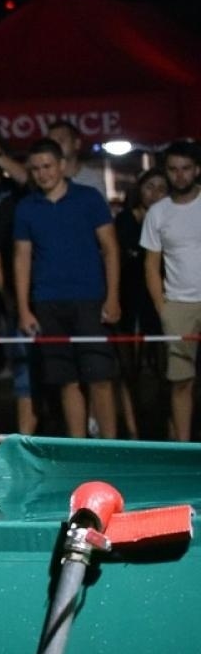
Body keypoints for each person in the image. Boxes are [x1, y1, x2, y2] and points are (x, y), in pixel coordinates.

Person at [13, 138, 120, 439]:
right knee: (66, 380)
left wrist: (113, 296)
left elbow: (110, 248)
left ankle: (112, 448)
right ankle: (78, 447)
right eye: (35, 169)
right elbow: (21, 258)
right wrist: (24, 309)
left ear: (62, 165)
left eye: (47, 166)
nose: (42, 173)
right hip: (47, 302)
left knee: (100, 377)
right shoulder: (26, 207)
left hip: (89, 298)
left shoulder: (89, 198)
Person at [143, 140, 201, 441]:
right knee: (180, 382)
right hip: (177, 304)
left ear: (197, 170)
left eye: (186, 169)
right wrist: (162, 307)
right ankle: (184, 448)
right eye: (173, 170)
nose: (179, 175)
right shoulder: (158, 212)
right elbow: (151, 264)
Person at [111, 167, 168, 438]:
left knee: (163, 370)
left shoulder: (171, 219)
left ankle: (166, 429)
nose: (155, 193)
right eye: (149, 186)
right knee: (127, 371)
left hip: (158, 303)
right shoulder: (124, 222)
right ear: (139, 190)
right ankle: (135, 432)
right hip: (127, 303)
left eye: (161, 187)